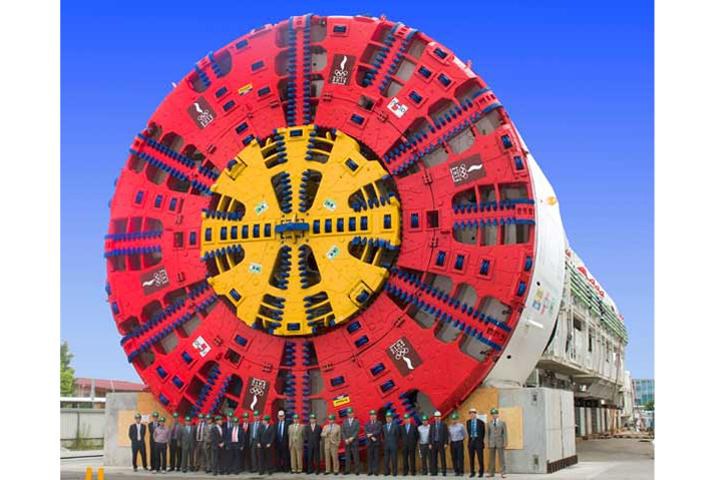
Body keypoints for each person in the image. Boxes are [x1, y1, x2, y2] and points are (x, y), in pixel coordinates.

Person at [485, 408, 507, 478]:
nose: (494, 415)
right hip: (492, 442)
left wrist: (505, 442)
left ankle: (503, 473)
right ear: (491, 415)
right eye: (493, 414)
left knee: (501, 458)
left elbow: (505, 433)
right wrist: (487, 442)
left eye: (495, 414)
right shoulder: (489, 423)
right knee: (491, 459)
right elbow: (487, 434)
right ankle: (491, 473)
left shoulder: (502, 423)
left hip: (500, 442)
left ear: (498, 414)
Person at [429, 411, 449, 476]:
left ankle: (444, 472)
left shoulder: (444, 424)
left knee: (442, 458)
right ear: (434, 417)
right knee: (434, 458)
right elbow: (430, 435)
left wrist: (446, 443)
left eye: (438, 416)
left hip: (441, 443)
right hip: (434, 443)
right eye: (436, 417)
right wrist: (430, 443)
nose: (437, 418)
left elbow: (446, 434)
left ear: (440, 417)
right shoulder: (432, 425)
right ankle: (434, 472)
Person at [466, 408, 485, 478]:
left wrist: (481, 441)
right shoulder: (468, 422)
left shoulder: (481, 422)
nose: (472, 415)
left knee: (480, 457)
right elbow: (468, 432)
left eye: (473, 413)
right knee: (471, 458)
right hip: (471, 441)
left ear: (475, 414)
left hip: (478, 441)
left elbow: (483, 433)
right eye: (470, 413)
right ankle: (472, 472)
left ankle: (481, 472)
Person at [342, 407, 361, 475]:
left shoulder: (357, 421)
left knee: (356, 456)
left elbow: (357, 430)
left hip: (354, 441)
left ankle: (357, 470)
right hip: (347, 442)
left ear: (353, 413)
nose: (349, 414)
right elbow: (343, 431)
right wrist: (345, 439)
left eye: (351, 413)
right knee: (347, 456)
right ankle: (347, 470)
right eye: (348, 413)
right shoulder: (344, 422)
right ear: (347, 414)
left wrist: (352, 437)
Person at [382, 411, 400, 476]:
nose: (388, 418)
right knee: (386, 459)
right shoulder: (384, 426)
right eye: (387, 417)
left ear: (392, 418)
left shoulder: (396, 426)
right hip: (386, 445)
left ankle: (394, 472)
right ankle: (387, 471)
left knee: (394, 459)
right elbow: (383, 436)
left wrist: (395, 443)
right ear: (385, 418)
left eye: (389, 417)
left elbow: (397, 436)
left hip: (393, 445)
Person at [365, 410, 383, 476]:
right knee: (370, 457)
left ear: (376, 416)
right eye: (371, 415)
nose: (372, 416)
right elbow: (366, 432)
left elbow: (379, 431)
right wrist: (372, 437)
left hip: (376, 443)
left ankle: (376, 471)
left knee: (376, 457)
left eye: (374, 415)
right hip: (369, 443)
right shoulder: (367, 424)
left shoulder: (379, 423)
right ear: (370, 416)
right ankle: (370, 471)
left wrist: (371, 434)